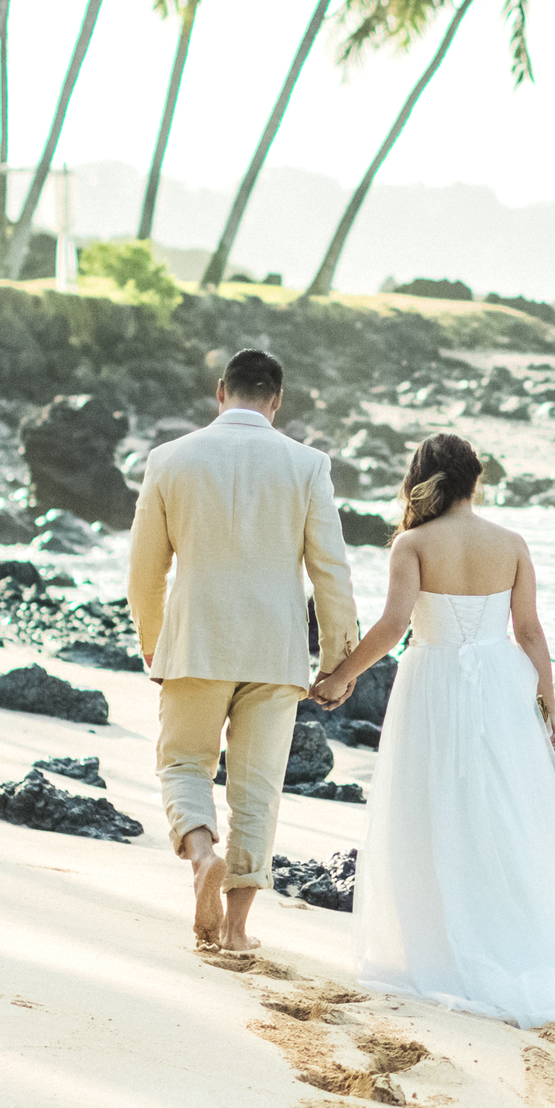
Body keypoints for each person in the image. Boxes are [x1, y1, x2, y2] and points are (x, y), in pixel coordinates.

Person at [311, 432, 555, 1040]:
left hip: (434, 681)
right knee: (506, 810)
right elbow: (530, 631)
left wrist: (342, 674)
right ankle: (511, 928)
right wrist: (549, 709)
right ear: (477, 481)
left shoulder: (412, 543)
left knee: (433, 804)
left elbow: (394, 625)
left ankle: (440, 940)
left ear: (421, 480)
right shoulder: (512, 543)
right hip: (500, 683)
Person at [129, 349, 357, 955]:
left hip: (195, 641)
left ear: (220, 391)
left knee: (183, 765)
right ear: (277, 401)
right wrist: (337, 659)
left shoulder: (168, 460)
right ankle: (234, 928)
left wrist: (155, 642)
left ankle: (203, 854)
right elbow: (330, 570)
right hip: (274, 650)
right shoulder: (307, 465)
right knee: (258, 788)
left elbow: (145, 572)